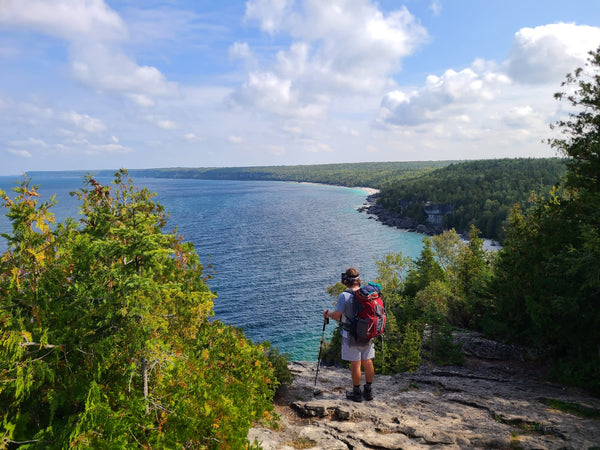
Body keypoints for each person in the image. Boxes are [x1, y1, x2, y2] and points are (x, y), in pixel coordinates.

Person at [323, 267, 374, 402]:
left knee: (356, 364)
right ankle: (368, 392)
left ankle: (357, 393)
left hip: (351, 334)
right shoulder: (367, 293)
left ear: (346, 281)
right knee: (368, 361)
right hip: (368, 333)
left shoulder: (344, 296)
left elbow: (337, 316)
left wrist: (327, 312)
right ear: (358, 280)